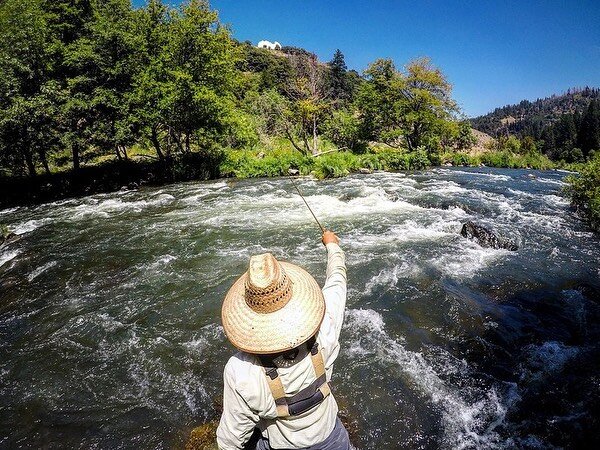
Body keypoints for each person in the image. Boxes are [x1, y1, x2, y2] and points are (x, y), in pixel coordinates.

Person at [217, 231, 350, 450]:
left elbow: (231, 440)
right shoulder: (326, 325)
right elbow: (337, 280)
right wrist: (332, 246)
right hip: (331, 440)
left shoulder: (240, 371)